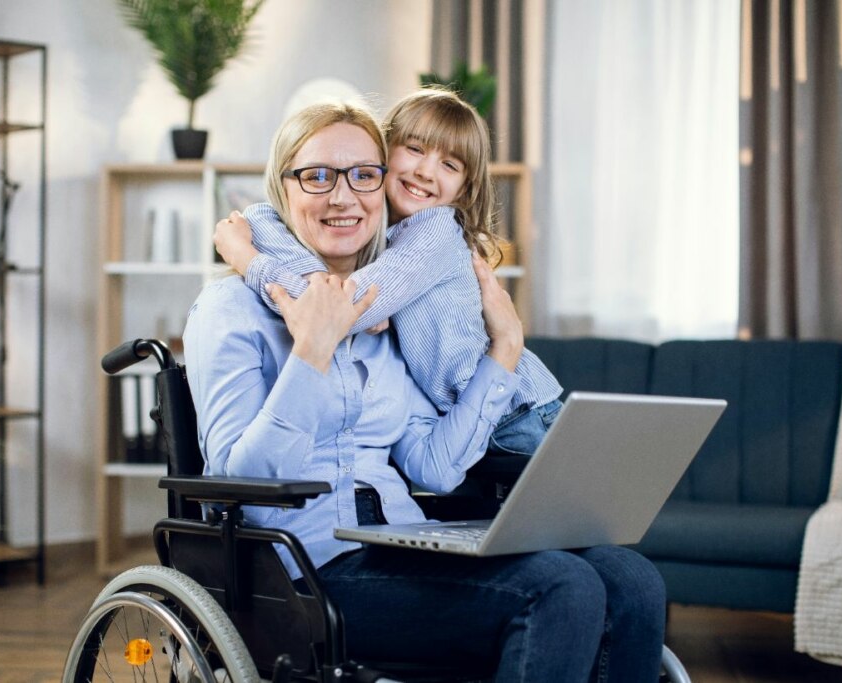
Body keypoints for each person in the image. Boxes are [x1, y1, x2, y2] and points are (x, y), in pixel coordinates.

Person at [184, 100, 666, 682]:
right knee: (560, 589)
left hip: (401, 542)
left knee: (632, 578)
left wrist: (504, 351)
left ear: (383, 186)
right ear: (281, 189)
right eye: (317, 176)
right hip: (304, 570)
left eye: (364, 175)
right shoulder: (230, 310)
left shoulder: (390, 317)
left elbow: (433, 468)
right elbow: (244, 487)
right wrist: (310, 352)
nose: (343, 197)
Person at [214, 88, 562, 459]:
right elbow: (262, 217)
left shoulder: (435, 230)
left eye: (450, 165)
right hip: (471, 419)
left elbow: (332, 315)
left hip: (519, 414)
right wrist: (315, 276)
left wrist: (249, 260)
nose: (426, 172)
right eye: (414, 149)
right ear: (385, 150)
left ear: (464, 189)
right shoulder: (379, 237)